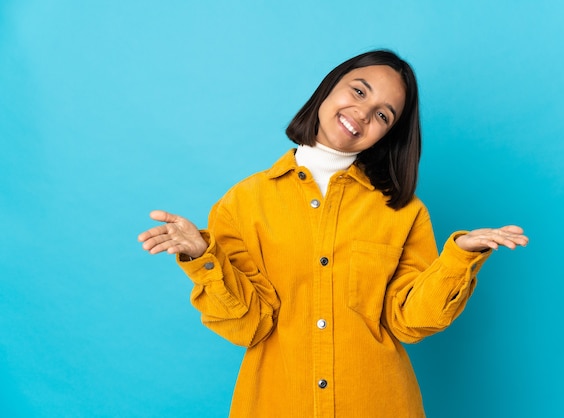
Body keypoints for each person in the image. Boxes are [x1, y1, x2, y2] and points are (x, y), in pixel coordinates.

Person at [138, 50, 528, 417]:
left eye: (383, 115)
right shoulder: (243, 202)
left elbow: (409, 320)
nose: (362, 113)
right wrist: (204, 257)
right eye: (358, 91)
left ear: (387, 135)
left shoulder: (403, 211)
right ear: (329, 86)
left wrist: (458, 257)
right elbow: (249, 325)